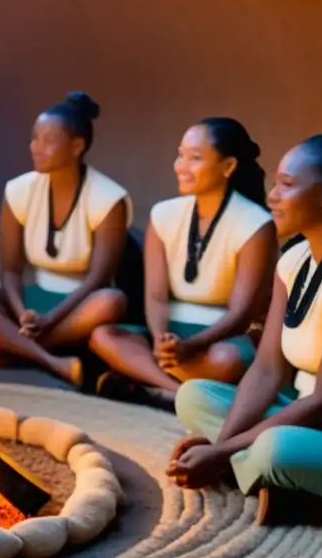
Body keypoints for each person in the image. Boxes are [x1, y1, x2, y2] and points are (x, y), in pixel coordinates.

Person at [169, 133, 322, 524]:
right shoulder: (295, 259)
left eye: (287, 184)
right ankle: (284, 483)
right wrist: (225, 445)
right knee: (194, 395)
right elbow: (267, 369)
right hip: (305, 419)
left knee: (277, 448)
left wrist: (220, 453)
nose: (272, 196)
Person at [90, 118, 276, 404]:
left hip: (217, 339)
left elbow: (241, 314)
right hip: (169, 335)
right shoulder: (163, 214)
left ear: (228, 167)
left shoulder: (256, 224)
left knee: (227, 360)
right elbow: (155, 294)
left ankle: (149, 383)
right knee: (103, 336)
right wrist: (161, 337)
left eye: (195, 158)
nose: (181, 166)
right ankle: (176, 393)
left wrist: (191, 346)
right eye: (180, 155)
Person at [0, 91, 129, 385]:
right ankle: (46, 355)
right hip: (31, 302)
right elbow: (10, 270)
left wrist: (50, 319)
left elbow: (99, 279)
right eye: (34, 138)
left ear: (77, 146)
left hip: (81, 306)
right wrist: (20, 312)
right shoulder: (18, 190)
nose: (35, 147)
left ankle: (15, 348)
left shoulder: (108, 198)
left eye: (48, 141)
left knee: (111, 301)